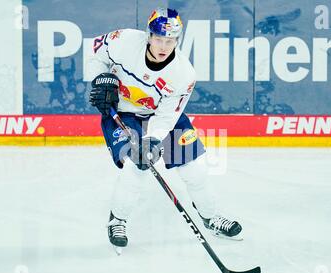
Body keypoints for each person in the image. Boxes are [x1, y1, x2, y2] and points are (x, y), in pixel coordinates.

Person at [89, 7, 242, 252]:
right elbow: (99, 55)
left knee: (194, 171)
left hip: (162, 117)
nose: (163, 46)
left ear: (177, 41)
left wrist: (153, 140)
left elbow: (168, 114)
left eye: (169, 41)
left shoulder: (183, 74)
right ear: (149, 35)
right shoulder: (124, 41)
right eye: (159, 39)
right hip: (124, 112)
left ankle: (210, 217)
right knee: (135, 166)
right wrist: (100, 78)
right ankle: (117, 219)